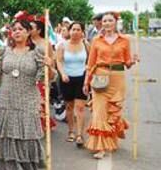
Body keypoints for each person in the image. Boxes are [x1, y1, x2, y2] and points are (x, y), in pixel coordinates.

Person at [0, 19, 51, 170]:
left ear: (29, 32)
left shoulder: (37, 52)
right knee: (8, 136)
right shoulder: (4, 52)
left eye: (21, 29)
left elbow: (46, 78)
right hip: (6, 100)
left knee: (26, 136)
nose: (17, 32)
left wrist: (50, 67)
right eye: (14, 29)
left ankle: (27, 168)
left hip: (28, 100)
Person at [83, 12, 138, 159]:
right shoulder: (96, 40)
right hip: (100, 76)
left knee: (113, 111)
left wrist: (133, 61)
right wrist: (86, 82)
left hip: (118, 77)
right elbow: (90, 63)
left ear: (115, 22)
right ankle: (100, 147)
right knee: (99, 112)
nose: (107, 23)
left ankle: (111, 140)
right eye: (105, 21)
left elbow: (127, 63)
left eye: (110, 20)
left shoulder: (124, 40)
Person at [56, 22, 89, 146]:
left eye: (78, 29)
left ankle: (80, 134)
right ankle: (71, 131)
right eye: (73, 29)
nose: (75, 32)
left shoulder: (86, 45)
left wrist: (87, 70)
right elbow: (58, 61)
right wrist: (62, 73)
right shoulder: (62, 45)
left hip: (82, 79)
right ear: (69, 31)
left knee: (80, 108)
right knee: (69, 107)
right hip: (67, 79)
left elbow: (90, 60)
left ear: (82, 32)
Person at [28, 16, 57, 131]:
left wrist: (50, 71)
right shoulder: (26, 42)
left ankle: (42, 125)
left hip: (42, 76)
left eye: (32, 28)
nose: (29, 30)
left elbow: (51, 60)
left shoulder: (46, 43)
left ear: (39, 30)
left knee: (41, 101)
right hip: (28, 75)